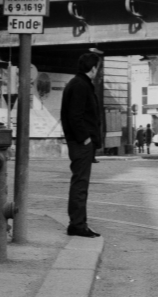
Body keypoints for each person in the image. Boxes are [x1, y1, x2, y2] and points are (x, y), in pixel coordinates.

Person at [60, 50, 103, 238]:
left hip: (80, 142)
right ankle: (77, 225)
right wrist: (85, 139)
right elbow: (74, 116)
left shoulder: (78, 83)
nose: (98, 71)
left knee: (80, 183)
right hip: (81, 144)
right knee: (80, 183)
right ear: (93, 68)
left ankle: (79, 223)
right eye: (97, 68)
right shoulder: (80, 85)